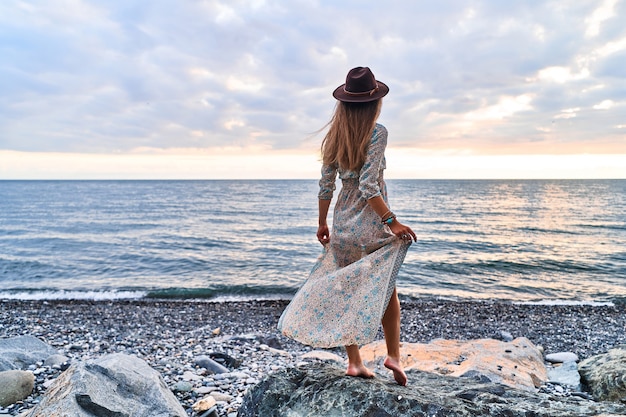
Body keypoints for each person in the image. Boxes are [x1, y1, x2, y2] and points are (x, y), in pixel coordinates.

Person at [278, 67, 416, 386]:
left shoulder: (334, 137)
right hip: (370, 222)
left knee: (346, 290)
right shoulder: (377, 132)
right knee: (386, 286)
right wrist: (392, 222)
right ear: (374, 103)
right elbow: (370, 186)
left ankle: (354, 362)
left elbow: (326, 185)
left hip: (342, 223)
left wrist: (322, 223)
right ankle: (393, 355)